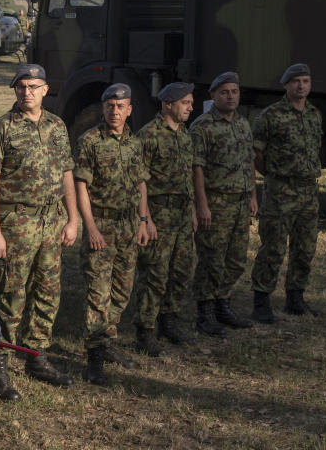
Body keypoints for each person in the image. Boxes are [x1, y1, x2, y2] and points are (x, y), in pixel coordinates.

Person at [0, 63, 79, 400]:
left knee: (48, 292)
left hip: (52, 222)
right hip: (16, 224)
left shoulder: (57, 126)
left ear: (45, 90)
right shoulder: (2, 129)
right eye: (21, 87)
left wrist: (73, 218)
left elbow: (68, 173)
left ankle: (36, 356)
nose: (27, 92)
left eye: (33, 86)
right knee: (10, 295)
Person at [73, 84, 152, 385]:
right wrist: (90, 227)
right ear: (103, 108)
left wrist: (144, 220)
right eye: (110, 106)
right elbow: (81, 186)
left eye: (121, 106)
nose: (115, 111)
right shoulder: (90, 141)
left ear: (129, 109)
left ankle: (107, 342)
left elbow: (142, 183)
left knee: (122, 290)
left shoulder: (134, 142)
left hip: (130, 226)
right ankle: (94, 355)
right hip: (102, 227)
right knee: (98, 292)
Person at [250, 63, 323, 322]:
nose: (301, 86)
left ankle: (295, 298)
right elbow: (256, 152)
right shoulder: (271, 115)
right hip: (281, 189)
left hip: (308, 190)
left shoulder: (314, 114)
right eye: (295, 81)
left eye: (305, 81)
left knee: (305, 248)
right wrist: (271, 175)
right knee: (274, 247)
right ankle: (261, 301)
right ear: (285, 85)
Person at [190, 72, 257, 336]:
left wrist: (252, 196)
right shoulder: (202, 126)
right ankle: (205, 312)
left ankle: (223, 304)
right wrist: (202, 205)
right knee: (211, 259)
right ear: (213, 96)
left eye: (234, 92)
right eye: (225, 92)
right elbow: (196, 168)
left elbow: (249, 161)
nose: (230, 96)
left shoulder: (243, 124)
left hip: (240, 202)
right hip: (216, 203)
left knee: (236, 259)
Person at [133, 82, 197, 356]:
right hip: (159, 211)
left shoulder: (184, 134)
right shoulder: (148, 135)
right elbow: (140, 181)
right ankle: (145, 329)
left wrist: (193, 209)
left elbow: (188, 175)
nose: (191, 107)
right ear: (168, 104)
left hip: (182, 212)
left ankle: (168, 320)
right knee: (155, 273)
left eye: (191, 102)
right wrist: (145, 218)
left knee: (181, 269)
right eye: (186, 102)